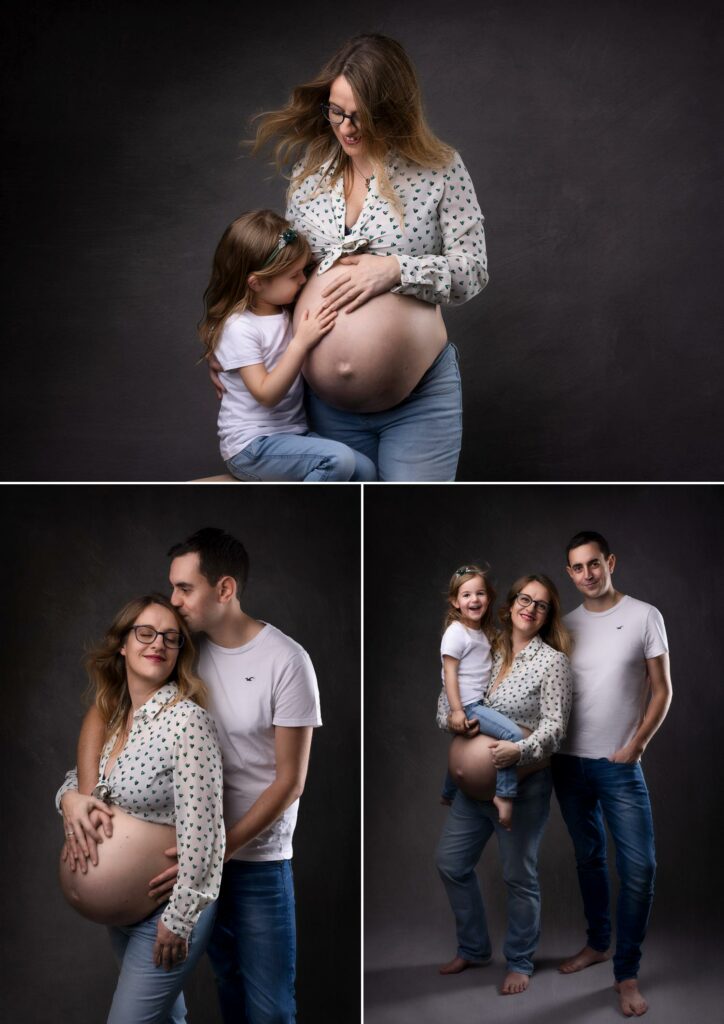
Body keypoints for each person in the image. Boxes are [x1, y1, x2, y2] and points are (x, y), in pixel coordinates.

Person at [70, 528, 322, 1024]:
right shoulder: (181, 650)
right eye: (172, 588)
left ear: (224, 590)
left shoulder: (287, 661)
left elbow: (290, 781)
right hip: (182, 861)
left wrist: (211, 852)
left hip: (255, 860)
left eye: (184, 589)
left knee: (269, 1006)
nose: (174, 600)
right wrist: (80, 797)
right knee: (226, 983)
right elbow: (106, 711)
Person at [213, 33, 488, 481]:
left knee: (402, 523)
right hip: (321, 404)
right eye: (337, 112)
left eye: (362, 116)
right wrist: (229, 346)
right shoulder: (308, 177)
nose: (346, 128)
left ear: (394, 111)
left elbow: (473, 269)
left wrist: (395, 269)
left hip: (418, 398)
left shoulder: (440, 169)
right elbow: (275, 274)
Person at [57, 594, 225, 1024]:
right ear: (123, 645)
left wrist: (180, 918)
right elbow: (79, 783)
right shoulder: (115, 720)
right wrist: (70, 799)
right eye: (145, 633)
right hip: (126, 913)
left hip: (165, 910)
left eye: (171, 637)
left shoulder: (187, 721)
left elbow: (205, 832)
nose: (158, 644)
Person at [552, 531, 672, 1018]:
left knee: (640, 870)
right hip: (567, 763)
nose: (587, 574)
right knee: (589, 859)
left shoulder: (645, 616)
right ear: (569, 573)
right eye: (577, 568)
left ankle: (626, 973)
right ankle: (598, 943)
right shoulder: (564, 624)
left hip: (619, 765)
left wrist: (636, 745)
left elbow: (662, 690)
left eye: (594, 564)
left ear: (610, 562)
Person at [436, 574, 572, 995]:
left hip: (523, 791)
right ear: (510, 604)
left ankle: (519, 961)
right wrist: (454, 718)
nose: (530, 608)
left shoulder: (553, 663)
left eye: (541, 604)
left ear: (548, 616)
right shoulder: (485, 645)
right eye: (524, 599)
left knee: (519, 877)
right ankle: (475, 948)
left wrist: (519, 751)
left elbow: (555, 728)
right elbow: (446, 698)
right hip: (472, 794)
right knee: (451, 864)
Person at [199, 208, 375, 481]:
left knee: (365, 470)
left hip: (292, 435)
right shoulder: (239, 328)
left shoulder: (283, 309)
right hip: (252, 446)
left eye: (303, 271)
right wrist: (300, 344)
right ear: (256, 283)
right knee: (338, 461)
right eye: (294, 276)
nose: (303, 280)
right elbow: (266, 394)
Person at [436, 564, 524, 829]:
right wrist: (458, 711)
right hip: (468, 705)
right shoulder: (456, 632)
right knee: (514, 737)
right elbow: (449, 674)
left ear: (489, 597)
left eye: (480, 594)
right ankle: (504, 795)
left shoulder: (484, 633)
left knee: (463, 743)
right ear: (455, 601)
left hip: (478, 702)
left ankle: (448, 791)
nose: (474, 600)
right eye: (466, 595)